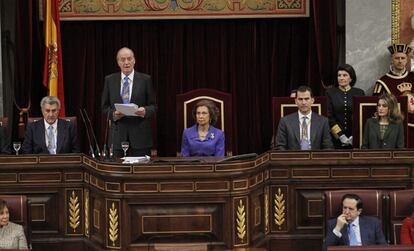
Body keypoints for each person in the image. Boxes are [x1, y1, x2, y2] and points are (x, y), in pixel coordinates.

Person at [101, 47, 157, 157]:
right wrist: (114, 114)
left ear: (134, 60)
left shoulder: (145, 80)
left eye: (129, 59)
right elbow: (104, 107)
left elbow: (153, 106)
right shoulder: (110, 80)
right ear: (118, 62)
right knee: (117, 171)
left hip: (140, 134)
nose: (126, 62)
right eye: (122, 59)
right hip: (117, 135)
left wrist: (145, 111)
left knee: (140, 172)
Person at [373, 43, 414, 147]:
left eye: (403, 58)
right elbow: (376, 109)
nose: (400, 61)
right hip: (394, 128)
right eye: (397, 58)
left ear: (407, 59)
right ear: (392, 59)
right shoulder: (382, 82)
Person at [275, 85, 333, 150]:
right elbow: (280, 147)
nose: (303, 102)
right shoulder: (285, 121)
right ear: (295, 101)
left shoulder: (323, 121)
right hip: (293, 159)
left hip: (315, 159)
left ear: (312, 100)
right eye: (300, 99)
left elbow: (328, 147)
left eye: (306, 99)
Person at [326, 64, 365, 149]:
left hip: (355, 139)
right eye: (339, 75)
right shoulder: (330, 93)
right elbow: (329, 117)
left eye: (345, 75)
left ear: (351, 78)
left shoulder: (359, 93)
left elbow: (361, 117)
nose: (341, 78)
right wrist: (340, 135)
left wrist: (355, 135)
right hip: (335, 140)